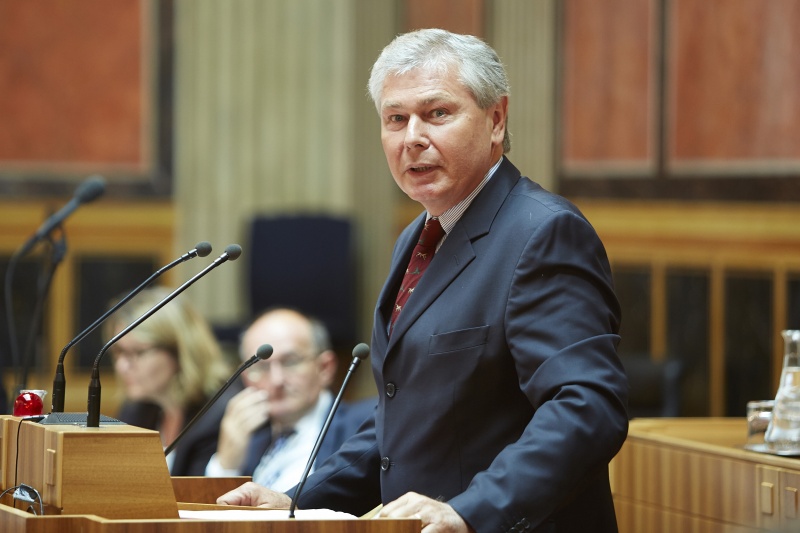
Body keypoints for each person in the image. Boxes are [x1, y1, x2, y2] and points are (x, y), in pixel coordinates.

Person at [218, 28, 629, 533]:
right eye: (395, 118)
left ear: (496, 119)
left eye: (437, 113)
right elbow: (403, 419)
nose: (412, 137)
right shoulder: (418, 236)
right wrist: (296, 499)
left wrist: (469, 511)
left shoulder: (542, 233)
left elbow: (586, 409)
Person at [205, 308, 376, 491]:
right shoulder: (247, 440)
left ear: (325, 368)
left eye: (290, 362)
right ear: (246, 377)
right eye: (261, 367)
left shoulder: (364, 427)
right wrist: (227, 465)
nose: (276, 380)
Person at [105, 286, 233, 476]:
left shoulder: (217, 414)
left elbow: (199, 499)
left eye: (138, 352)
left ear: (180, 351)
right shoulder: (136, 410)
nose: (122, 367)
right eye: (119, 352)